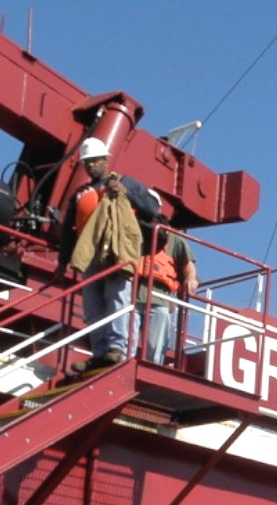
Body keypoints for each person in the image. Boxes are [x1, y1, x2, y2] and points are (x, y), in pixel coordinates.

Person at [64, 136, 160, 372]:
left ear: (106, 160)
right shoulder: (79, 194)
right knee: (93, 306)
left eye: (95, 161)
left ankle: (117, 349)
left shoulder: (125, 183)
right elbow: (68, 231)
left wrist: (127, 192)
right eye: (87, 162)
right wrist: (62, 262)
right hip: (90, 256)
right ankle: (99, 353)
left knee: (117, 299)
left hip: (117, 251)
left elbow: (152, 209)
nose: (91, 166)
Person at [137, 205, 198, 365]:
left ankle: (152, 368)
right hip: (133, 296)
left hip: (160, 299)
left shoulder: (175, 239)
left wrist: (191, 279)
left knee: (155, 347)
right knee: (126, 340)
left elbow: (188, 264)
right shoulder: (137, 230)